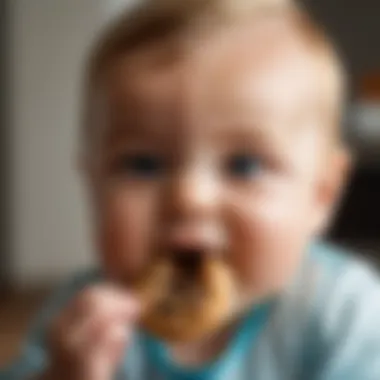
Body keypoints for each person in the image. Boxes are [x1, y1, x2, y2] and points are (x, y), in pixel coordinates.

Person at [3, 0, 380, 379]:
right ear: (93, 185)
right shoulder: (81, 321)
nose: (189, 197)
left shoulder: (342, 313)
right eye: (143, 164)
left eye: (243, 166)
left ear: (321, 194)